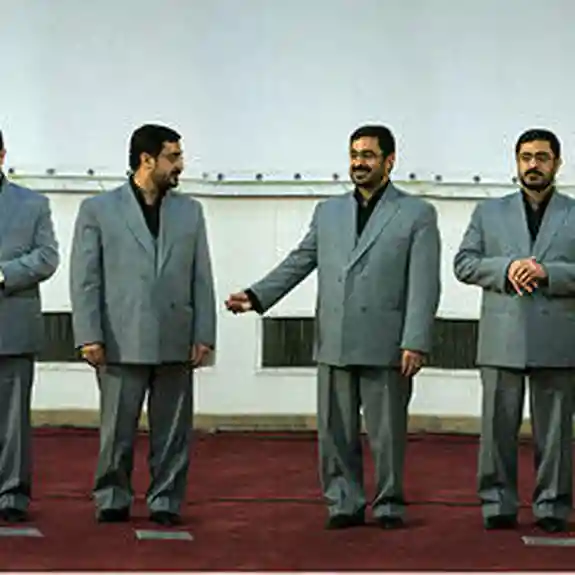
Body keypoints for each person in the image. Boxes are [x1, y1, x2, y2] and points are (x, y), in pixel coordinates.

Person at [225, 125, 441, 529]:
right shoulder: (328, 212)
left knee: (387, 434)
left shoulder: (417, 214)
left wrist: (416, 340)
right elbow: (300, 260)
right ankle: (343, 503)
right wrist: (256, 296)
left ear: (390, 161)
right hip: (335, 339)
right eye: (354, 154)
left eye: (368, 155)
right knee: (334, 432)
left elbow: (425, 283)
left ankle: (389, 504)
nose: (359, 162)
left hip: (388, 343)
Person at [69, 124, 216, 526]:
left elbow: (202, 277)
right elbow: (85, 279)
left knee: (173, 432)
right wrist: (88, 335)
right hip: (119, 338)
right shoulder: (98, 210)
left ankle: (166, 500)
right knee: (116, 430)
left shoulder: (190, 211)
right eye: (173, 156)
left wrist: (204, 334)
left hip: (176, 337)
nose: (181, 164)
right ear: (146, 160)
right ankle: (112, 497)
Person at [454, 128, 575, 533]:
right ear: (517, 162)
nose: (533, 165)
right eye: (526, 157)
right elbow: (464, 263)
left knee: (555, 434)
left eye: (542, 157)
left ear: (557, 163)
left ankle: (552, 506)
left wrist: (547, 272)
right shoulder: (489, 213)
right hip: (501, 339)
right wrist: (506, 268)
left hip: (558, 339)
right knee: (496, 430)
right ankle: (497, 503)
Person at [0, 129, 60, 522]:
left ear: (2, 154)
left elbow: (47, 257)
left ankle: (11, 495)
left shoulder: (33, 204)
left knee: (13, 422)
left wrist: (3, 274)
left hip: (12, 325)